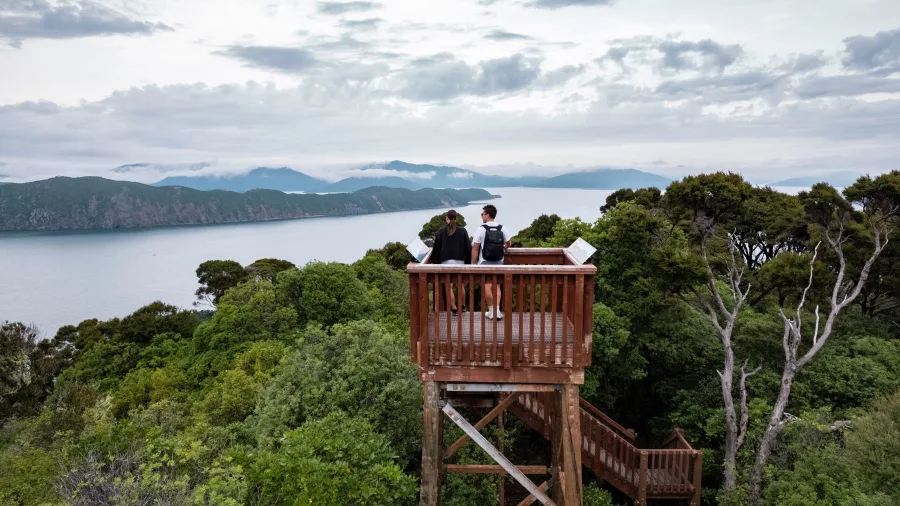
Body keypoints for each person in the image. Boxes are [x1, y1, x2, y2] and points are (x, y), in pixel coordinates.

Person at [471, 204, 511, 320]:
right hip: (499, 261)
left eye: (482, 214)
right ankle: (497, 311)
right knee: (497, 285)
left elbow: (475, 247)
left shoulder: (481, 229)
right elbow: (508, 243)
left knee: (486, 286)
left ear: (487, 215)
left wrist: (473, 264)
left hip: (485, 261)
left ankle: (492, 310)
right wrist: (503, 246)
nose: (482, 216)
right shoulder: (502, 228)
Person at [431, 209, 470, 314]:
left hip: (446, 262)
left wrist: (436, 263)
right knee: (460, 284)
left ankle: (454, 308)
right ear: (456, 219)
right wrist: (468, 262)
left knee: (449, 286)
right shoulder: (462, 231)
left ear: (447, 218)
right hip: (460, 262)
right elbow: (468, 248)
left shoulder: (441, 232)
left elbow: (436, 249)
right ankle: (462, 306)